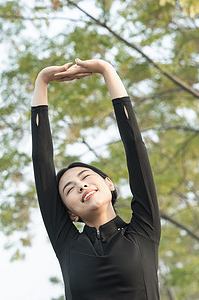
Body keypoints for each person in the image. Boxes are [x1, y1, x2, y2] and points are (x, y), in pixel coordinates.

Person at [31, 58, 161, 299]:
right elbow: (41, 161)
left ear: (108, 184)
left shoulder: (144, 230)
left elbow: (135, 147)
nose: (81, 185)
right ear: (70, 212)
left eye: (85, 177)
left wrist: (106, 70)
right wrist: (42, 82)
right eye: (69, 189)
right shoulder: (67, 245)